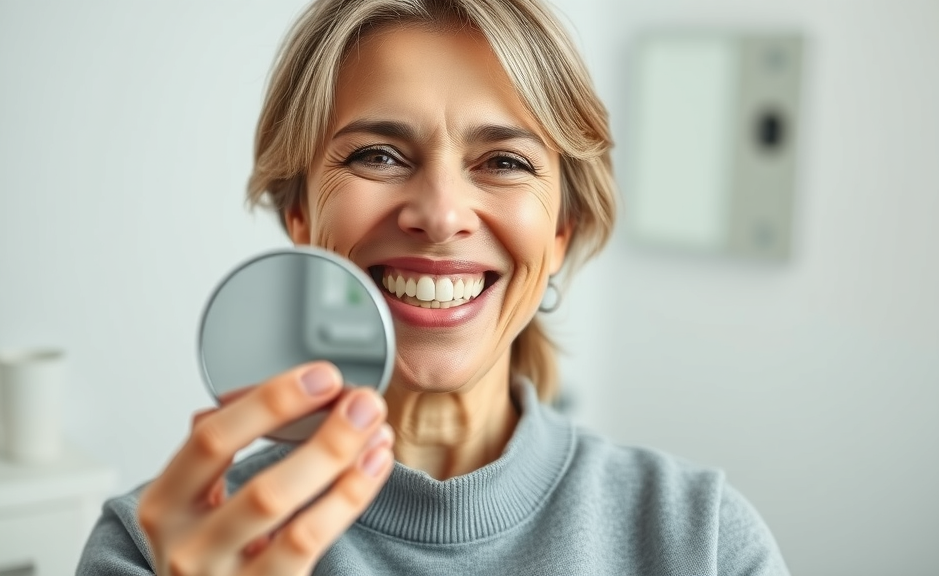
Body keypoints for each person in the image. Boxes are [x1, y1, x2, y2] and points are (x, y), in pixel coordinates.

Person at [78, 0, 789, 573]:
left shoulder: (706, 543)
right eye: (378, 155)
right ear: (301, 212)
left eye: (505, 161)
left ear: (562, 227)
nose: (442, 215)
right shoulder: (162, 550)